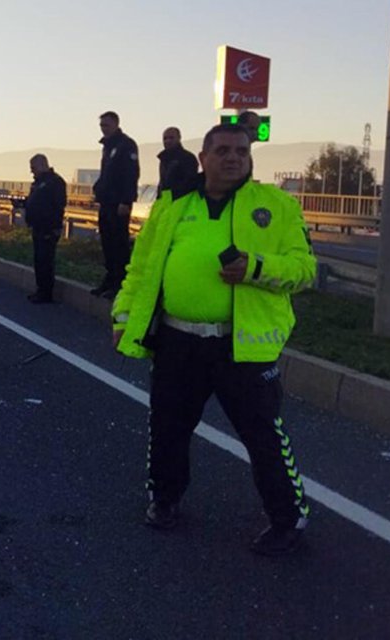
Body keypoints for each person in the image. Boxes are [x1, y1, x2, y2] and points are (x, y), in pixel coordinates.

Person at [111, 123, 316, 556]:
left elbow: (305, 270)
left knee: (263, 435)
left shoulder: (275, 206)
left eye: (241, 150)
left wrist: (256, 268)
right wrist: (123, 316)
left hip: (241, 345)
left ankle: (287, 518)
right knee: (167, 426)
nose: (233, 157)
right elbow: (142, 267)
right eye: (222, 150)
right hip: (177, 341)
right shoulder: (172, 205)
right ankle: (164, 500)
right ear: (203, 158)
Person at [91, 111, 140, 299]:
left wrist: (126, 201)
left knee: (119, 244)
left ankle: (120, 283)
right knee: (107, 243)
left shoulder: (125, 145)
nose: (103, 129)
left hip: (118, 203)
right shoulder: (108, 147)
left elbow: (131, 175)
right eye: (101, 125)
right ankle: (110, 279)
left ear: (116, 124)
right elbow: (107, 174)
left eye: (106, 125)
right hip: (106, 201)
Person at [23, 154, 67, 304]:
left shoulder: (55, 182)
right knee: (38, 260)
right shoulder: (37, 183)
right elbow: (33, 202)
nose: (32, 171)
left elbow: (59, 205)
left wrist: (54, 226)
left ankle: (46, 293)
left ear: (42, 165)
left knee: (46, 260)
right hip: (37, 226)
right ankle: (40, 289)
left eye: (33, 168)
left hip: (49, 227)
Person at [157, 127, 198, 197]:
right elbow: (162, 183)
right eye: (165, 138)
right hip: (165, 201)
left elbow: (190, 183)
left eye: (171, 138)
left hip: (181, 201)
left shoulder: (188, 158)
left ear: (179, 138)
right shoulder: (163, 159)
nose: (167, 141)